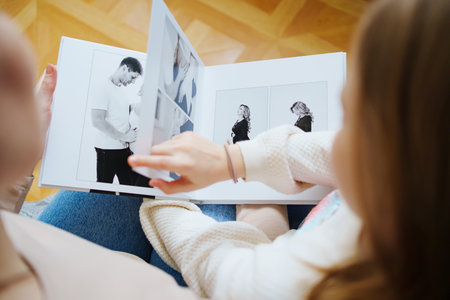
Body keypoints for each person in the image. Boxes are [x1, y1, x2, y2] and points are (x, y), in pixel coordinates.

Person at [127, 0, 450, 299]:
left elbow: (221, 271)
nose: (335, 134)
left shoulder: (317, 278)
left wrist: (162, 199)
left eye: (350, 121)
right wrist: (234, 160)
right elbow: (323, 152)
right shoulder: (418, 196)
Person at [91, 57, 143, 186]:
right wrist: (123, 136)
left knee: (130, 187)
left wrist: (139, 106)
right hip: (107, 149)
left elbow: (119, 111)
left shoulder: (120, 89)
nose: (132, 82)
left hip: (123, 149)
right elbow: (97, 120)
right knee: (103, 189)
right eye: (132, 77)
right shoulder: (103, 87)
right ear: (124, 68)